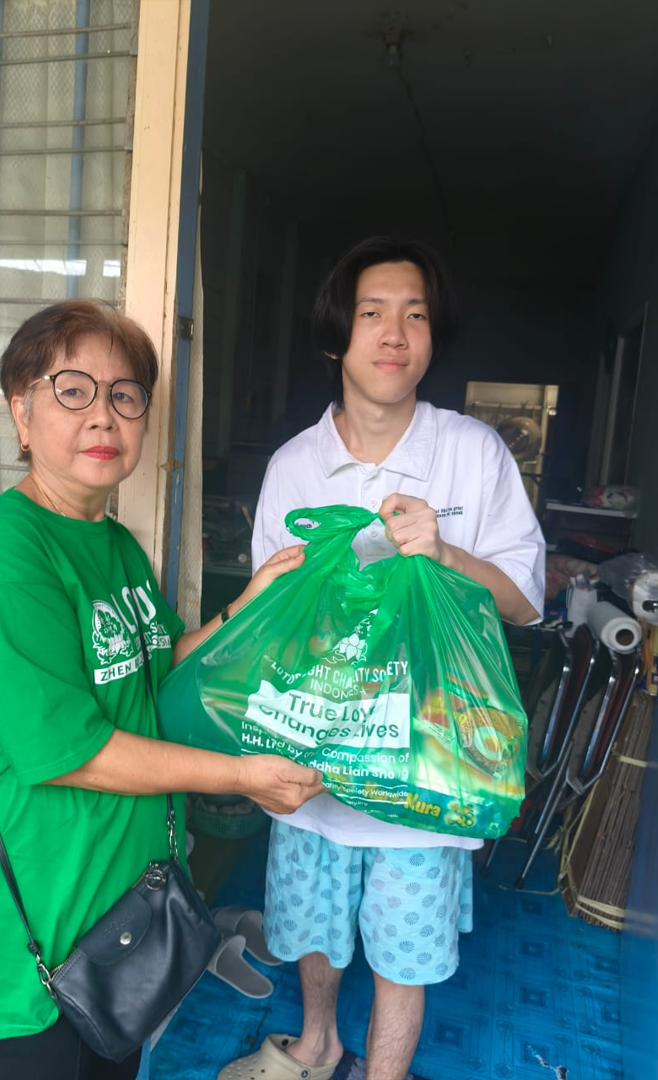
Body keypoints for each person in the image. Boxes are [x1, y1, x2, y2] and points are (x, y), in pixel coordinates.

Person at [0, 299, 325, 1080]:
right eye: (73, 390)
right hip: (24, 938)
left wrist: (248, 604)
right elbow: (72, 751)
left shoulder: (116, 547)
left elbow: (160, 667)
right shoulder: (6, 554)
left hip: (118, 922)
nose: (103, 414)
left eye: (125, 395)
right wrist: (241, 776)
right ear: (21, 412)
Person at [219, 236, 545, 1080]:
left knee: (406, 951)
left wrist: (446, 555)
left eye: (416, 315)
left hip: (428, 761)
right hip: (314, 756)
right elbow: (267, 621)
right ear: (339, 335)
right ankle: (317, 1044)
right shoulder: (295, 467)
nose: (395, 333)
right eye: (373, 313)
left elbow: (524, 600)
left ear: (433, 339)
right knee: (313, 928)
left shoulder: (472, 453)